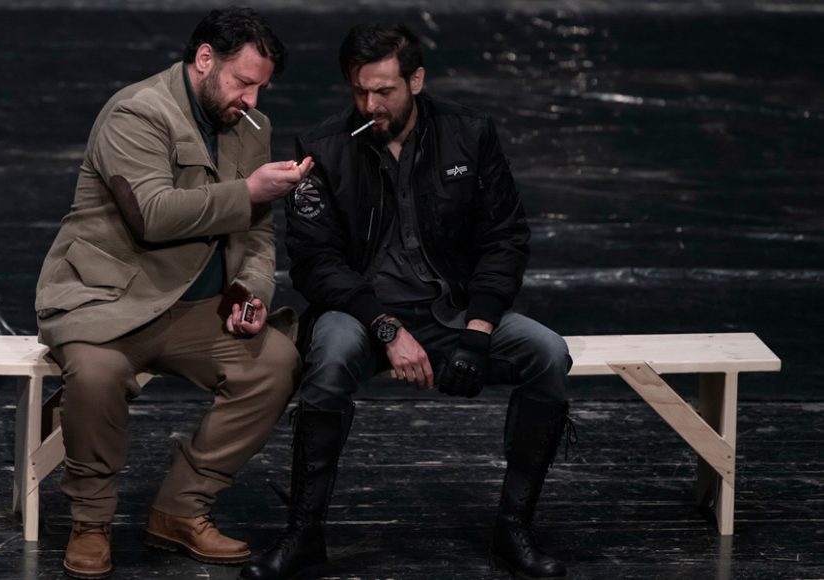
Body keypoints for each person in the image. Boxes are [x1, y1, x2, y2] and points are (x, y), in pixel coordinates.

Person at [241, 23, 574, 580]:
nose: (371, 105)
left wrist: (479, 330)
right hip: (362, 314)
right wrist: (387, 329)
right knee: (329, 358)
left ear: (415, 80)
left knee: (548, 353)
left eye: (384, 91)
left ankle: (513, 527)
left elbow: (505, 239)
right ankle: (303, 533)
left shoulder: (469, 135)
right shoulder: (323, 148)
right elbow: (316, 263)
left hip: (454, 310)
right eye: (360, 91)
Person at [33, 8, 313, 579]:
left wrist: (250, 290)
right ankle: (91, 521)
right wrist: (249, 190)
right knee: (96, 375)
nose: (252, 100)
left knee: (275, 363)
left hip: (195, 307)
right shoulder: (136, 112)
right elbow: (152, 215)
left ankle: (181, 508)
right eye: (243, 82)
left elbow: (258, 233)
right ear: (205, 59)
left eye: (261, 88)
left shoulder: (250, 127)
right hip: (109, 302)